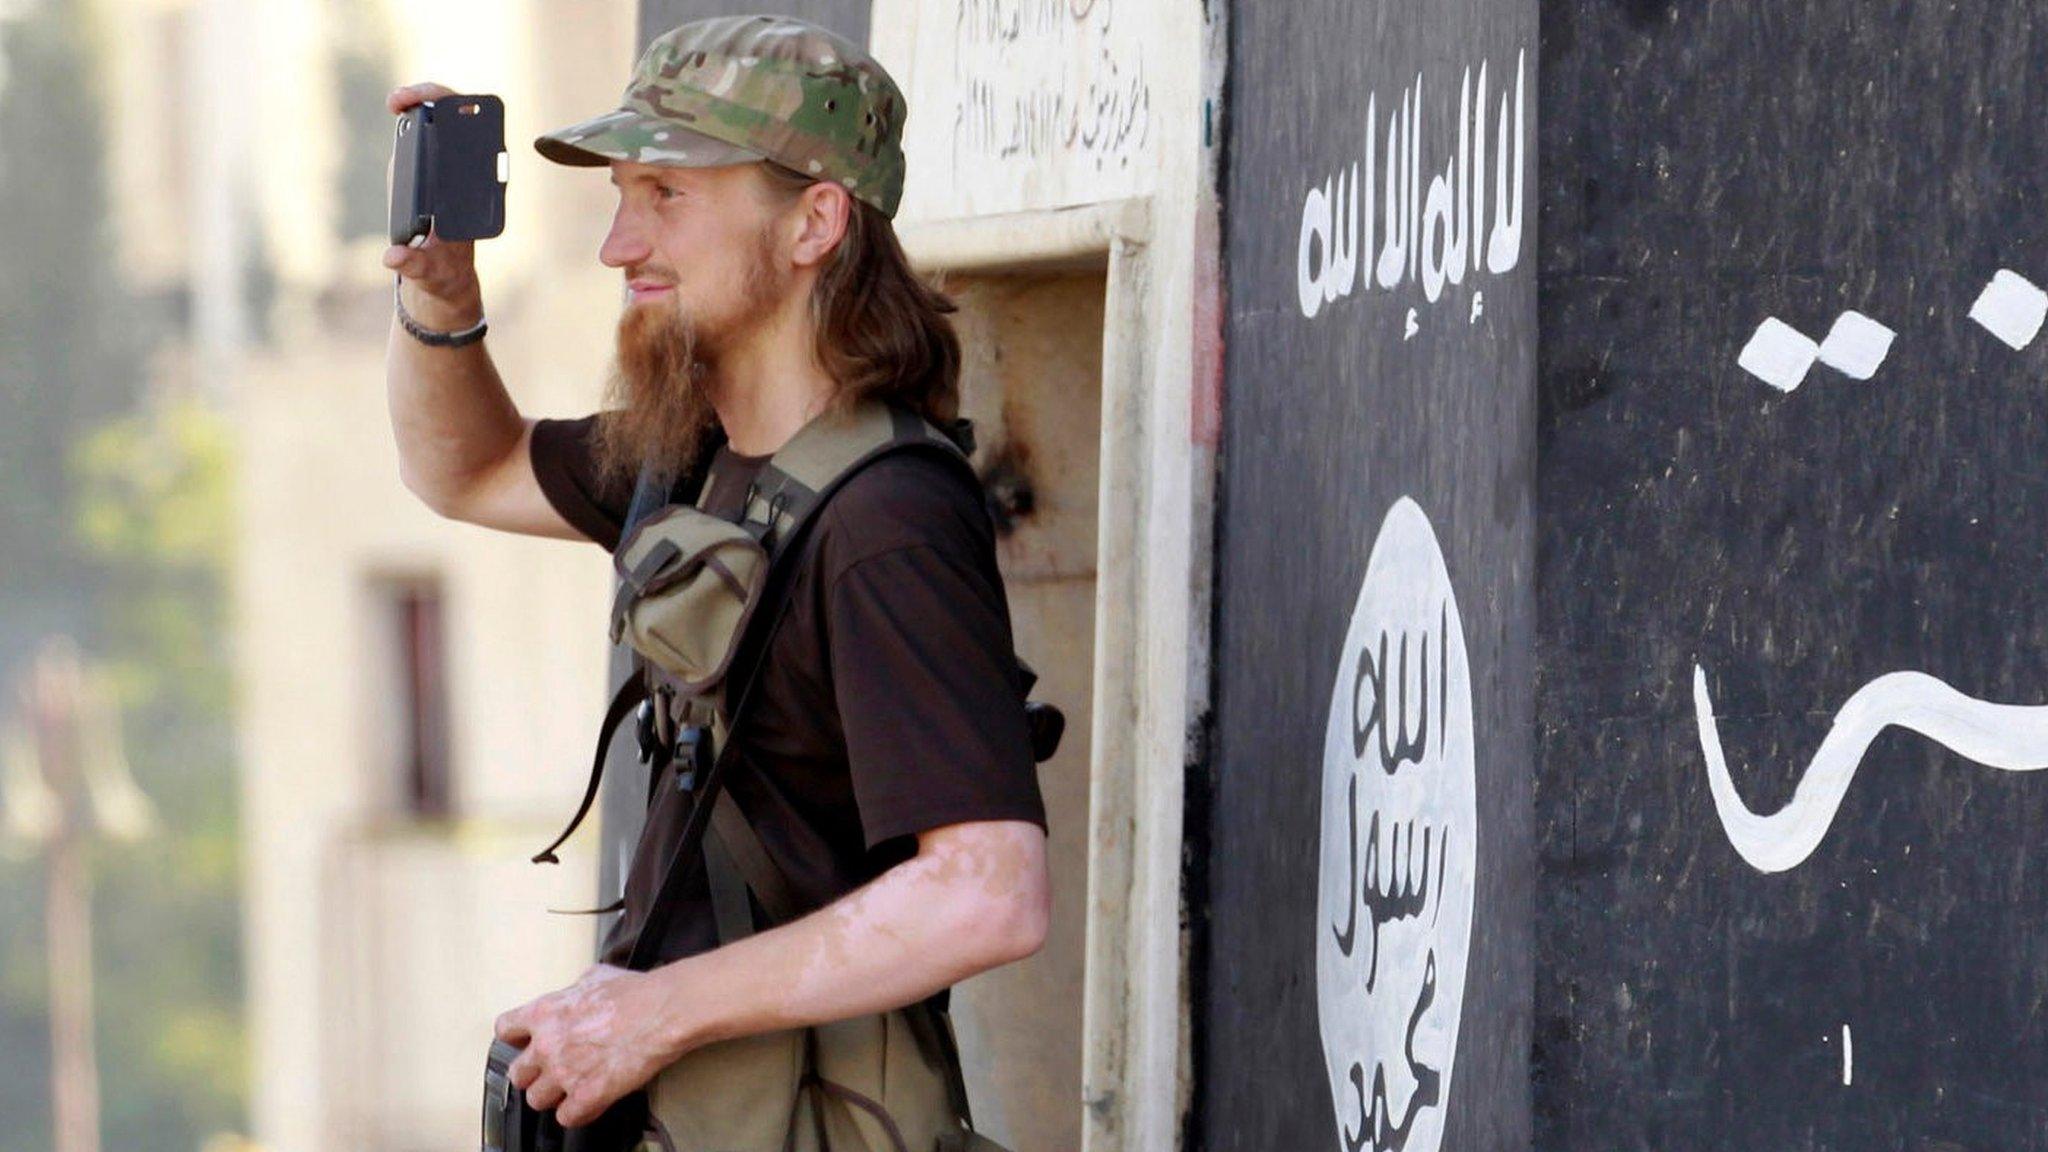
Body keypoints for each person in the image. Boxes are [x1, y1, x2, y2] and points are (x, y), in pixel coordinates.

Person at [380, 14, 1050, 1140]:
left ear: (813, 222)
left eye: (668, 195)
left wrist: (650, 1015)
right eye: (620, 195)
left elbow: (987, 890)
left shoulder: (889, 519)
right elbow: (468, 468)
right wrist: (441, 296)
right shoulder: (687, 451)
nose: (619, 246)